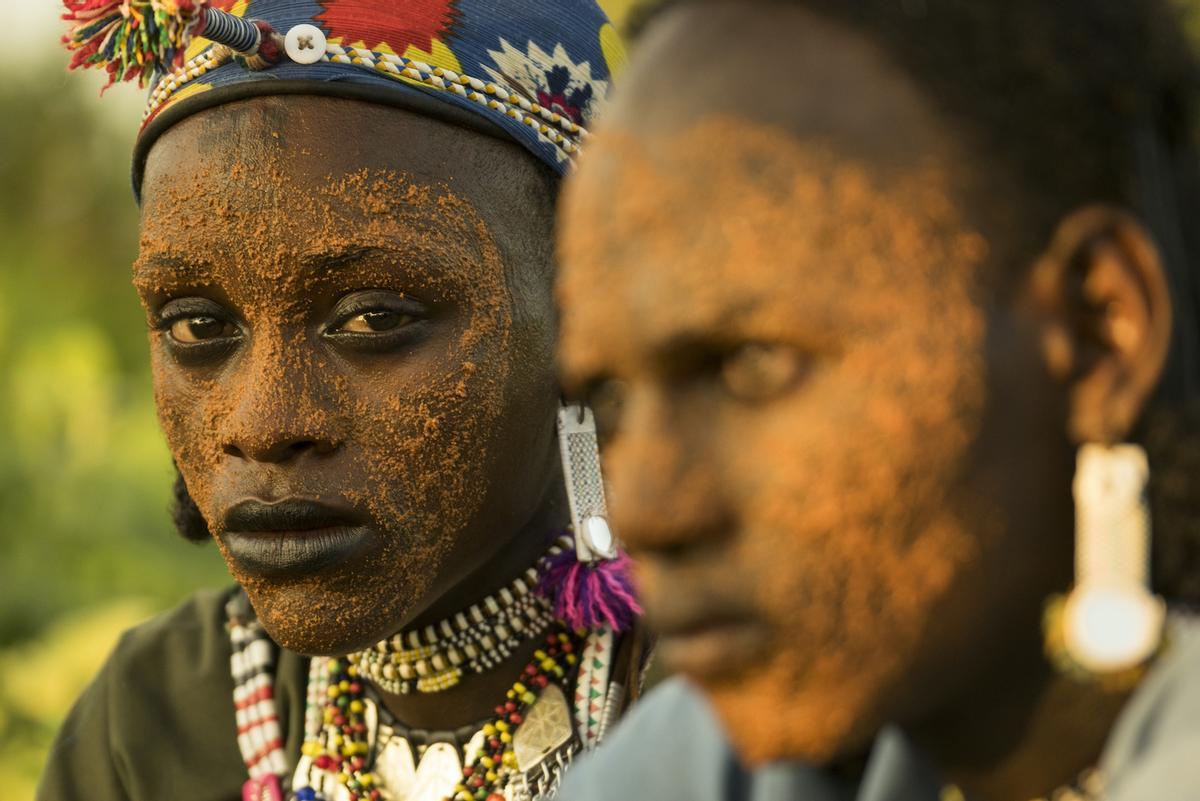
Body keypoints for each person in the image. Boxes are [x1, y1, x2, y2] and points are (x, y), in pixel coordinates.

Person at [554, 1, 1200, 799]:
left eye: (752, 365)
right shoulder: (705, 768)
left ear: (1100, 332)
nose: (646, 510)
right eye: (609, 396)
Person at [39, 2, 644, 800]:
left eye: (375, 317)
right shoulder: (152, 728)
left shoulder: (732, 696)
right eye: (197, 325)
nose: (264, 423)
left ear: (585, 319)